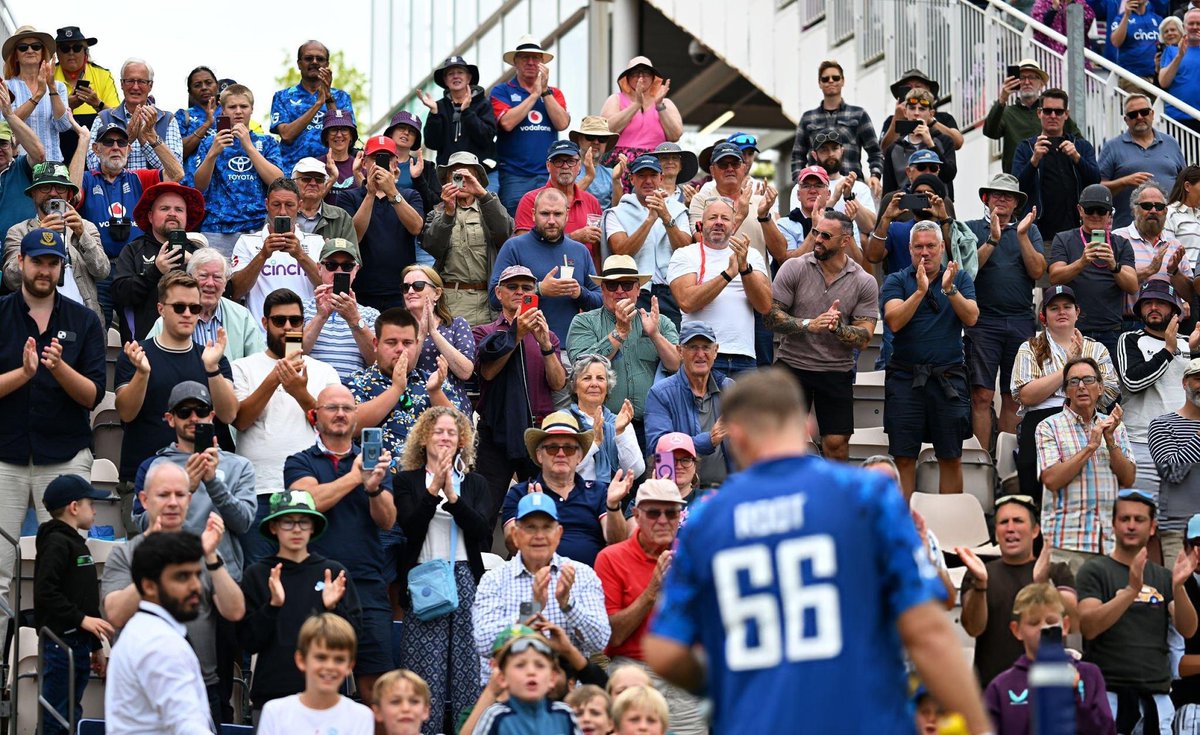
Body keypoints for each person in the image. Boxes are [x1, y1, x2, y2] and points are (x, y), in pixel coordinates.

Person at [642, 369, 991, 735]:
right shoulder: (866, 495)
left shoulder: (705, 520)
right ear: (807, 423)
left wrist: (721, 682)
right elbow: (928, 632)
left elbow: (664, 651)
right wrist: (980, 729)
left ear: (737, 435)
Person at [0, 228, 103, 620]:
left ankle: (59, 673)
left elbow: (93, 396)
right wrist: (22, 376)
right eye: (38, 261)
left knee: (67, 572)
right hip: (4, 455)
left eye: (52, 263)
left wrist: (58, 369)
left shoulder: (85, 320)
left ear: (62, 267)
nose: (45, 270)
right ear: (20, 263)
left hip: (63, 457)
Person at [102, 460, 246, 727]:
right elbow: (115, 614)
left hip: (204, 683)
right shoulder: (125, 553)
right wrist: (154, 562)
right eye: (163, 495)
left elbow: (235, 610)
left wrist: (211, 556)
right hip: (143, 685)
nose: (172, 503)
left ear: (189, 500)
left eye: (180, 495)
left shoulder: (201, 549)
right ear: (144, 500)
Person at [283, 384, 396, 700]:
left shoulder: (375, 463)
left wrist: (373, 488)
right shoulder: (299, 462)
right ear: (315, 415)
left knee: (376, 686)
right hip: (314, 582)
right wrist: (356, 478)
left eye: (348, 408)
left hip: (368, 583)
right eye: (332, 408)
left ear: (356, 417)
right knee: (317, 681)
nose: (341, 414)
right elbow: (309, 502)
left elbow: (387, 520)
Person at [393, 407, 490, 735]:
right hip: (424, 577)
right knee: (424, 675)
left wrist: (453, 496)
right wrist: (433, 490)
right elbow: (409, 527)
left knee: (467, 673)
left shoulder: (475, 483)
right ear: (424, 438)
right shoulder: (405, 481)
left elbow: (482, 534)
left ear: (462, 440)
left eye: (451, 432)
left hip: (466, 576)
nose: (445, 438)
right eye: (438, 432)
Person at [1077, 489, 1198, 731]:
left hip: (1156, 697)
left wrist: (1178, 587)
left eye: (1139, 519)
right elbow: (1089, 627)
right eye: (1125, 519)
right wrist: (1131, 591)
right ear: (1113, 524)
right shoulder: (1095, 571)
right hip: (1109, 695)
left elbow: (1188, 629)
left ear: (1153, 527)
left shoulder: (1162, 576)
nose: (1131, 526)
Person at [765, 208, 877, 461]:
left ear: (845, 241)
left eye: (826, 235)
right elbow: (770, 317)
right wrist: (808, 324)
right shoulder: (794, 267)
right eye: (816, 232)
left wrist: (838, 328)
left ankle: (833, 497)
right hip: (793, 364)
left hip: (836, 368)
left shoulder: (864, 281)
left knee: (836, 443)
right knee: (783, 438)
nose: (818, 239)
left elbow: (865, 336)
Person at [238, 491, 359, 720]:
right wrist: (273, 606)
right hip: (271, 696)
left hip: (327, 696)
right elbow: (248, 641)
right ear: (273, 527)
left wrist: (333, 609)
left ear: (313, 526)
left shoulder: (333, 573)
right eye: (288, 522)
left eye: (303, 522)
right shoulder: (257, 574)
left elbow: (355, 637)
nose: (296, 529)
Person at [594, 479, 703, 735]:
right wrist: (652, 590)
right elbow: (612, 636)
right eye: (654, 512)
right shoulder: (611, 558)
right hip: (632, 670)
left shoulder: (694, 559)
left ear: (681, 516)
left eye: (671, 512)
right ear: (636, 515)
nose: (663, 520)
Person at [882, 220, 979, 496]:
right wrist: (920, 291)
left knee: (950, 456)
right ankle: (905, 530)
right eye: (918, 247)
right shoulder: (897, 280)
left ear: (942, 248)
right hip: (905, 378)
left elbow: (971, 317)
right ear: (909, 249)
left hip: (948, 378)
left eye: (930, 246)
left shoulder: (959, 279)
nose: (924, 253)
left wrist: (949, 290)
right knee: (903, 457)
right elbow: (894, 321)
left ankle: (948, 526)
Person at [472, 494, 611, 683]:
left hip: (567, 696)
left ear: (559, 533)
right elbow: (485, 644)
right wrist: (532, 608)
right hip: (506, 695)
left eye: (547, 527)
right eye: (530, 527)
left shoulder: (581, 574)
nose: (539, 536)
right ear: (515, 534)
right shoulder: (494, 579)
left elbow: (600, 641)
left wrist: (567, 604)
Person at [130, 380, 255, 580]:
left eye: (202, 410)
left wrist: (213, 482)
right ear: (170, 419)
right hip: (170, 573)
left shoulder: (239, 465)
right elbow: (144, 526)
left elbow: (243, 523)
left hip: (222, 575)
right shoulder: (153, 466)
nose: (194, 418)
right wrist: (185, 488)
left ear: (212, 416)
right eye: (184, 412)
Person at [474, 265, 567, 531]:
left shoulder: (548, 335)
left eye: (527, 288)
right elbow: (488, 373)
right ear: (499, 293)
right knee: (485, 509)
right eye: (513, 287)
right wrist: (516, 334)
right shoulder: (485, 331)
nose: (520, 292)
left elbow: (558, 383)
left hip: (539, 431)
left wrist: (546, 346)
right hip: (496, 431)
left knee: (541, 509)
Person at [1011, 286, 1120, 499]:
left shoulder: (1097, 349)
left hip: (1086, 418)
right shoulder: (1030, 347)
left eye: (1067, 307)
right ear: (1044, 316)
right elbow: (1026, 395)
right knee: (1035, 486)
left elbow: (1109, 392)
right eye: (1054, 308)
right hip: (1041, 417)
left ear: (1077, 312)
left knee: (1088, 485)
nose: (1061, 312)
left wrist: (1060, 387)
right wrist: (1070, 369)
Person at [956, 494, 1077, 686]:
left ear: (1035, 530)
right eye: (1004, 522)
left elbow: (1074, 622)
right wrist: (980, 585)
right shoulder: (978, 573)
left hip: (1048, 688)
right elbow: (973, 628)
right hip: (994, 693)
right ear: (996, 533)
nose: (1010, 528)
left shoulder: (1057, 571)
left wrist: (1043, 584)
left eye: (1018, 521)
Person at [103, 531, 217, 734]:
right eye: (182, 577)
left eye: (197, 575)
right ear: (148, 586)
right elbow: (188, 727)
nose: (195, 586)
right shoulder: (160, 643)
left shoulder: (146, 632)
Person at [965, 173, 1045, 450]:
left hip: (1021, 321)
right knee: (981, 396)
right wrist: (994, 239)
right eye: (996, 194)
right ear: (986, 199)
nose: (1001, 198)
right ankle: (982, 461)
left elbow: (1037, 271)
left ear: (1016, 203)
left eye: (1008, 195)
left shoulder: (1029, 230)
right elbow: (968, 270)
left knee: (1014, 396)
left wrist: (1021, 235)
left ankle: (1005, 464)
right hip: (982, 321)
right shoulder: (972, 228)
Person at [76, 120, 180, 325]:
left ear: (129, 149)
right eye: (108, 142)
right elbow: (71, 196)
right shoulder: (87, 179)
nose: (116, 147)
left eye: (122, 142)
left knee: (137, 329)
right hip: (99, 269)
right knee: (98, 328)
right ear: (96, 149)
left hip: (136, 267)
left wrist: (152, 137)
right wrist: (83, 141)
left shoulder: (139, 177)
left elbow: (177, 174)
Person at [1037, 357, 1137, 571]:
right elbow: (1051, 480)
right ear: (1065, 391)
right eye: (1073, 381)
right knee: (1069, 605)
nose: (1081, 386)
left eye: (1088, 379)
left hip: (1109, 541)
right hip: (1067, 541)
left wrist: (1110, 442)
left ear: (1100, 388)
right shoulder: (1048, 426)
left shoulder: (1115, 427)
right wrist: (1091, 446)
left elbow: (1128, 479)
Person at [566, 254, 680, 440]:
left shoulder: (659, 321)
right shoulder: (583, 321)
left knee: (663, 469)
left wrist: (655, 335)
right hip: (602, 426)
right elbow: (581, 369)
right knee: (606, 470)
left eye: (626, 285)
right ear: (602, 289)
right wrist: (619, 332)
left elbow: (676, 365)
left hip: (655, 427)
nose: (620, 291)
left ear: (638, 289)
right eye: (612, 285)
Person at [34, 474, 114, 735]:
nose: (94, 509)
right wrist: (81, 620)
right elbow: (46, 591)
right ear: (74, 507)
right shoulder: (56, 542)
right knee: (55, 716)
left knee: (70, 714)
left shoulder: (78, 544)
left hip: (79, 644)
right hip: (60, 644)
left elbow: (86, 600)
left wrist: (95, 647)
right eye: (90, 503)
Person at [501, 411, 632, 566]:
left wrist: (613, 506)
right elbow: (512, 546)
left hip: (589, 583)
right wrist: (532, 514)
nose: (561, 454)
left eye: (569, 448)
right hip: (536, 581)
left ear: (579, 456)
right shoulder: (520, 493)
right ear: (539, 455)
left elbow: (617, 541)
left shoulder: (598, 491)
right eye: (552, 448)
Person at [984, 583, 1115, 735]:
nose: (1044, 628)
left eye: (1051, 621)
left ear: (1065, 626)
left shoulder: (1089, 675)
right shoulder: (1001, 686)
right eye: (1034, 623)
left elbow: (1106, 730)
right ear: (1017, 630)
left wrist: (1073, 696)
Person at [670, 199, 772, 375]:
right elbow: (686, 302)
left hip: (744, 356)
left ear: (734, 225)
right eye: (712, 217)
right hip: (700, 356)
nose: (718, 222)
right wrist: (728, 274)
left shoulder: (751, 255)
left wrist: (744, 270)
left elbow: (764, 306)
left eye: (724, 218)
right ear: (700, 224)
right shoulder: (685, 254)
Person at [490, 187, 602, 343]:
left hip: (570, 348)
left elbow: (600, 301)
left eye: (557, 214)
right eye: (544, 214)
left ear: (567, 215)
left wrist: (579, 293)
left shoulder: (580, 250)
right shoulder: (514, 247)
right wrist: (539, 289)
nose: (551, 220)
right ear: (533, 215)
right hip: (525, 346)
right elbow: (494, 298)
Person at [3, 160, 109, 321]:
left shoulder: (85, 227)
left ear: (69, 195)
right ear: (33, 194)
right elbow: (11, 280)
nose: (53, 193)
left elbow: (102, 271)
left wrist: (82, 234)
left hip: (81, 322)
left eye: (60, 188)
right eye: (45, 187)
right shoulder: (19, 231)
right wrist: (38, 237)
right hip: (35, 322)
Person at [328, 135, 425, 311]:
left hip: (401, 291)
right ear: (364, 163)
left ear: (395, 163)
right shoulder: (348, 197)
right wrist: (370, 194)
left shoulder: (410, 195)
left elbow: (416, 227)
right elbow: (353, 236)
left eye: (386, 158)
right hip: (361, 290)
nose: (380, 163)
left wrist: (392, 192)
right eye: (375, 158)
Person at [1118, 280, 1192, 502]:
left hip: (1183, 441)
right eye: (1147, 303)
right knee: (1140, 513)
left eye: (1161, 303)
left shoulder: (1189, 344)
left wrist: (1190, 349)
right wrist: (1169, 350)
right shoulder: (1130, 339)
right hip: (1141, 443)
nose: (1153, 308)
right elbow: (1133, 381)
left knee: (1182, 515)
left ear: (1174, 310)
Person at [344, 307, 452, 458]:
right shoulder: (356, 382)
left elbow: (460, 432)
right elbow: (348, 426)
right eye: (391, 342)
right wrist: (396, 389)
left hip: (425, 478)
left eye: (407, 343)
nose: (400, 349)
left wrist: (435, 392)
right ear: (376, 344)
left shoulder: (433, 382)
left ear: (417, 344)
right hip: (374, 477)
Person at [191, 84, 284, 257]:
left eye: (244, 106)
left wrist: (248, 146)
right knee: (215, 281)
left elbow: (278, 182)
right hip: (217, 228)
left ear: (252, 109)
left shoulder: (267, 143)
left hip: (256, 228)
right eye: (232, 107)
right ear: (223, 111)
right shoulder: (209, 142)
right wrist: (212, 154)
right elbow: (199, 186)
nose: (238, 111)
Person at [1047, 184, 1139, 358]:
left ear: (1110, 214)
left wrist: (1114, 265)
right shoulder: (1064, 239)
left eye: (1101, 210)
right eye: (1090, 210)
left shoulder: (1121, 243)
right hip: (1073, 329)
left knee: (1108, 384)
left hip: (1111, 330)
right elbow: (1054, 277)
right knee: (1072, 381)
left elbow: (1133, 286)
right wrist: (1081, 262)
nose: (1095, 215)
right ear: (1080, 210)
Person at [421, 151, 511, 327]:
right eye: (455, 176)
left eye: (468, 175)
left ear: (477, 179)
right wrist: (448, 213)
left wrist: (483, 194)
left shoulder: (490, 207)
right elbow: (432, 246)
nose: (461, 181)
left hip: (487, 301)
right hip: (449, 301)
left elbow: (505, 232)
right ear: (447, 180)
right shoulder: (437, 213)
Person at [109, 180, 206, 343]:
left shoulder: (198, 253)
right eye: (164, 208)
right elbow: (120, 296)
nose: (172, 213)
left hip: (193, 346)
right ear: (150, 216)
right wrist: (155, 271)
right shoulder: (133, 250)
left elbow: (222, 292)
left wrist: (195, 264)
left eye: (179, 209)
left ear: (186, 216)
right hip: (143, 348)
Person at [601, 155, 691, 325]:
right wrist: (649, 220)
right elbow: (621, 252)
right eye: (642, 175)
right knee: (633, 346)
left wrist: (665, 217)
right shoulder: (617, 212)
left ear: (661, 178)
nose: (648, 181)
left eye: (653, 175)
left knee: (672, 346)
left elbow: (685, 250)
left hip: (672, 291)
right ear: (632, 179)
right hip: (633, 292)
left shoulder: (678, 210)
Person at [644, 322, 736, 487]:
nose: (700, 354)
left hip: (728, 491)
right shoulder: (660, 393)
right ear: (680, 351)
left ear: (716, 351)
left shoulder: (730, 389)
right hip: (680, 495)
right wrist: (709, 440)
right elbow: (658, 450)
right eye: (693, 347)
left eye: (706, 347)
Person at [490, 35, 570, 215]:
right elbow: (507, 123)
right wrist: (534, 94)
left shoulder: (553, 93)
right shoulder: (502, 91)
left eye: (536, 58)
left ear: (542, 63)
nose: (531, 62)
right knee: (515, 227)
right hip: (514, 176)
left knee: (551, 224)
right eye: (525, 57)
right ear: (515, 62)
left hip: (549, 175)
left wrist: (545, 92)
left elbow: (562, 123)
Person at [255, 613, 375, 734]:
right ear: (301, 660)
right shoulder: (275, 712)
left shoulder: (361, 717)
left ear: (350, 666)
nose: (330, 667)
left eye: (339, 659)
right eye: (321, 658)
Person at [144, 247, 265, 362]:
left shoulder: (242, 317)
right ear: (190, 278)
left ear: (225, 283)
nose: (210, 283)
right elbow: (149, 361)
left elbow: (257, 363)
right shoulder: (169, 318)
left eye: (217, 277)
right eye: (203, 276)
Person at [229, 178, 323, 323]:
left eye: (289, 205)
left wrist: (300, 255)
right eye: (276, 204)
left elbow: (327, 287)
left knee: (293, 346)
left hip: (304, 333)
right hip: (260, 336)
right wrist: (262, 256)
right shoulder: (247, 242)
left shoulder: (316, 242)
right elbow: (235, 292)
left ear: (299, 205)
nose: (282, 211)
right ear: (267, 204)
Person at [1012, 89, 1101, 243]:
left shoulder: (1082, 146)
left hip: (1077, 232)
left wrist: (1077, 158)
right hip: (1039, 234)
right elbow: (1017, 187)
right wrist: (1034, 161)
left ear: (1066, 114)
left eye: (1058, 111)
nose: (1053, 116)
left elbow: (1096, 181)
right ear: (1039, 113)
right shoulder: (1026, 147)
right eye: (1047, 111)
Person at [687, 142, 785, 272]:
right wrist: (740, 215)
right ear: (712, 170)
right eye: (723, 164)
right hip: (716, 286)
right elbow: (704, 243)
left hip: (757, 287)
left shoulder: (761, 202)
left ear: (744, 168)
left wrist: (764, 217)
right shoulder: (701, 200)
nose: (730, 168)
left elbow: (781, 254)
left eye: (735, 164)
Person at [789, 59, 883, 193]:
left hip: (852, 187)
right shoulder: (808, 118)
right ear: (820, 83)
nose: (831, 81)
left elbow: (875, 151)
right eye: (825, 79)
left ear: (843, 81)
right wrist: (800, 182)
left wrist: (875, 175)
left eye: (836, 77)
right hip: (817, 189)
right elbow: (797, 156)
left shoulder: (858, 114)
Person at [1100, 95, 1186, 229]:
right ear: (1126, 120)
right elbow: (1099, 188)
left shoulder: (1171, 143)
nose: (1139, 117)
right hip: (1129, 230)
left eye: (1144, 112)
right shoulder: (1112, 147)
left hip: (1171, 227)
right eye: (1133, 114)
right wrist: (1124, 181)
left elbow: (1185, 183)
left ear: (1152, 114)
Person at [1116, 182, 1195, 324]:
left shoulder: (1175, 245)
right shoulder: (1118, 239)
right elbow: (1108, 281)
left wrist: (1174, 272)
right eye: (1146, 206)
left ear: (1165, 211)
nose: (1153, 210)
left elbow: (1190, 295)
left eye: (1158, 206)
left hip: (1169, 325)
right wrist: (1149, 270)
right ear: (1135, 210)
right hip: (1129, 323)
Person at [270, 40, 354, 173]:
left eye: (320, 59)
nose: (314, 62)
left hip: (332, 172)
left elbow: (346, 137)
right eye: (308, 58)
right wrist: (318, 104)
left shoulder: (342, 97)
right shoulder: (282, 97)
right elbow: (286, 135)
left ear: (326, 64)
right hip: (292, 172)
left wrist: (328, 98)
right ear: (299, 64)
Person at [402, 265, 475, 416]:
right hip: (409, 409)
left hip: (452, 407)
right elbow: (401, 371)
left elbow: (465, 371)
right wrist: (421, 335)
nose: (410, 291)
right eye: (405, 287)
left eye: (418, 286)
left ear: (437, 293)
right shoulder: (398, 327)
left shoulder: (457, 325)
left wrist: (434, 333)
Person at [299, 237, 378, 379]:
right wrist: (320, 317)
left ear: (356, 270)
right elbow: (290, 352)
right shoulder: (299, 308)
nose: (339, 271)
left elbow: (377, 361)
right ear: (319, 268)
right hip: (309, 393)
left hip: (353, 395)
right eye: (331, 265)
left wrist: (354, 320)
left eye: (347, 266)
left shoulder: (371, 314)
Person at [87, 58, 183, 173]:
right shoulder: (103, 118)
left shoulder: (167, 119)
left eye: (142, 82)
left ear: (150, 86)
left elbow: (175, 170)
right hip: (116, 190)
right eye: (130, 81)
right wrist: (127, 140)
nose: (135, 87)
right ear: (122, 84)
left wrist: (146, 140)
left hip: (154, 190)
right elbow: (92, 165)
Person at [984, 59, 1080, 173]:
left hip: (1050, 178)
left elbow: (1078, 141)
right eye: (1022, 78)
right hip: (1016, 181)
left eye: (1032, 77)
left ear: (1041, 84)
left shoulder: (1053, 112)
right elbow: (989, 132)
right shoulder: (1007, 112)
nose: (1027, 82)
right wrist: (1002, 99)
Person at [470, 633, 578, 734]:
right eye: (520, 665)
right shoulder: (495, 716)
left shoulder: (565, 714)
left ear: (552, 678)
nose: (531, 671)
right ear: (502, 678)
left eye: (540, 665)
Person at [513, 140, 603, 260]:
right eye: (559, 161)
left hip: (583, 275)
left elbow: (597, 252)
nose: (565, 166)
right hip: (543, 275)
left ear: (579, 165)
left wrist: (596, 278)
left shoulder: (592, 201)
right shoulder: (530, 200)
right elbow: (523, 248)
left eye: (571, 161)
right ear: (548, 166)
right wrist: (573, 238)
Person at [1148, 359, 1200, 563]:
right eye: (1198, 379)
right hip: (1178, 529)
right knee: (1179, 592)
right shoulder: (1163, 425)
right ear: (1184, 383)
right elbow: (1172, 473)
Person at [566, 354, 644, 484]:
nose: (594, 384)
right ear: (574, 386)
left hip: (611, 498)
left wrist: (620, 433)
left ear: (608, 387)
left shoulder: (619, 421)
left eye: (600, 378)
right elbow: (562, 468)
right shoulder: (564, 420)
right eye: (587, 378)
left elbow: (635, 471)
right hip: (574, 498)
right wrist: (595, 442)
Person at [4, 27, 70, 163]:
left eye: (36, 46)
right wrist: (38, 95)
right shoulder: (5, 87)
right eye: (23, 47)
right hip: (17, 167)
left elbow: (63, 125)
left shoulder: (59, 87)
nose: (30, 50)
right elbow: (5, 127)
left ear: (42, 52)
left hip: (52, 165)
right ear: (15, 55)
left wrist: (51, 87)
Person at [600, 56, 682, 166]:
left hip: (654, 165)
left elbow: (675, 136)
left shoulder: (666, 103)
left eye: (646, 73)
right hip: (620, 164)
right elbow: (607, 130)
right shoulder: (616, 99)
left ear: (653, 77)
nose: (640, 77)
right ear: (627, 78)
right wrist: (636, 105)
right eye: (635, 73)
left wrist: (659, 105)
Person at [54, 26, 118, 163]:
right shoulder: (48, 76)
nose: (71, 53)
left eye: (77, 48)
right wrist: (66, 107)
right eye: (65, 49)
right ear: (57, 53)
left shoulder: (103, 75)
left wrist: (98, 104)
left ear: (85, 52)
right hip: (57, 150)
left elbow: (118, 119)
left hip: (97, 152)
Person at [419, 55, 497, 167]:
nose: (455, 76)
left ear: (468, 78)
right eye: (450, 74)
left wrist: (467, 112)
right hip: (448, 173)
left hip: (483, 171)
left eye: (460, 72)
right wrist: (434, 113)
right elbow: (432, 143)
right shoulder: (438, 106)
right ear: (445, 80)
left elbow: (486, 139)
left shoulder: (483, 103)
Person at [881, 87, 958, 197]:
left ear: (931, 114)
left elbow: (948, 175)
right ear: (905, 112)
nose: (916, 113)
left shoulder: (944, 141)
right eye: (912, 108)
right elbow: (888, 192)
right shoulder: (894, 148)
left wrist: (931, 144)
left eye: (922, 109)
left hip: (938, 206)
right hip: (905, 208)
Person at [383, 111, 442, 219]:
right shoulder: (376, 162)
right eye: (401, 127)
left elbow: (436, 205)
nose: (406, 133)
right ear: (391, 132)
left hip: (415, 229)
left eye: (412, 131)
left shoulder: (427, 167)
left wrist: (418, 179)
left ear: (416, 139)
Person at [290, 157, 357, 242]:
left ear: (325, 185)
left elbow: (352, 253)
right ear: (293, 183)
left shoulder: (341, 218)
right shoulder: (282, 213)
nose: (313, 183)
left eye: (319, 180)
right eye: (306, 179)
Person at [1158, 9, 1200, 134]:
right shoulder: (1171, 51)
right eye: (1191, 23)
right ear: (1184, 27)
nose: (1195, 27)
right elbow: (1163, 82)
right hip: (1177, 118)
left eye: (1198, 23)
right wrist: (1179, 56)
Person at [1109, 0, 1165, 86]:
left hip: (1156, 76)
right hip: (1131, 77)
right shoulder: (1120, 18)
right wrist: (1127, 15)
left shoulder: (1157, 19)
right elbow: (1116, 42)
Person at [175, 66, 220, 171]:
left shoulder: (230, 112)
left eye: (208, 83)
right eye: (197, 85)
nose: (204, 87)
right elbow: (177, 154)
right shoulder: (182, 116)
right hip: (192, 183)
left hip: (226, 183)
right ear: (190, 92)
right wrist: (206, 124)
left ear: (217, 86)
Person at [571, 116, 620, 209]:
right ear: (579, 139)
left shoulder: (611, 173)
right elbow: (561, 202)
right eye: (590, 137)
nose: (596, 142)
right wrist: (588, 177)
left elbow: (617, 210)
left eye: (602, 139)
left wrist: (616, 180)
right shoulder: (564, 167)